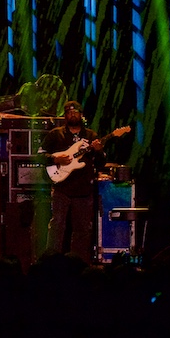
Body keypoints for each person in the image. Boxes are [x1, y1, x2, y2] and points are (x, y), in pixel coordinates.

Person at [37, 100, 106, 260]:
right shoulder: (56, 134)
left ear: (82, 115)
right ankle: (51, 261)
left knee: (82, 229)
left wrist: (99, 150)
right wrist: (56, 159)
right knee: (57, 226)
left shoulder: (90, 136)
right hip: (62, 188)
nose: (72, 115)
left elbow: (101, 163)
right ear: (65, 115)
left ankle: (78, 262)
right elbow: (39, 156)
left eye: (76, 112)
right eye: (69, 112)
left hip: (83, 190)